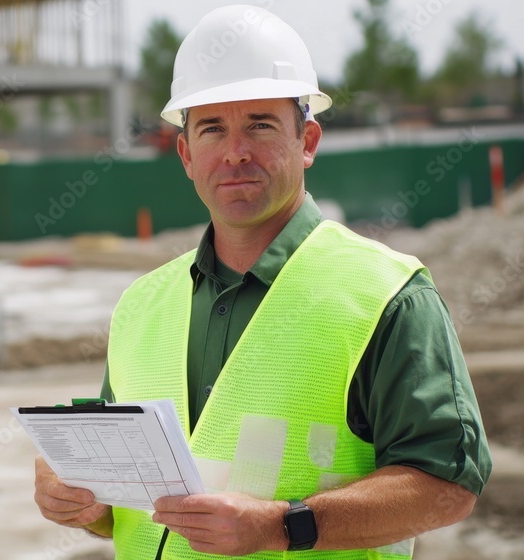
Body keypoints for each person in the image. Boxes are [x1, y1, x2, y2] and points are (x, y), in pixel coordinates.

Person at [33, 5, 491, 558]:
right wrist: (85, 502)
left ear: (308, 141)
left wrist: (283, 526)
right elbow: (125, 506)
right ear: (185, 153)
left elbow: (449, 487)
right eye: (211, 129)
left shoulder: (388, 295)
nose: (235, 152)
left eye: (260, 124)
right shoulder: (140, 305)